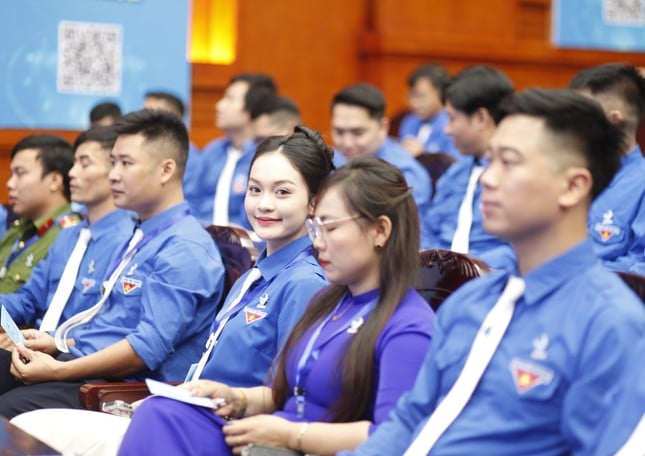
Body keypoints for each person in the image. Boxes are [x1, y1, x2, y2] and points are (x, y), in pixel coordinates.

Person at [346, 89, 645, 455]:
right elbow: (411, 417)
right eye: (489, 161)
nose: (487, 179)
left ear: (572, 186)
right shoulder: (470, 298)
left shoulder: (610, 324)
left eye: (509, 162)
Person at [9, 126, 334, 455]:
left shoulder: (304, 283)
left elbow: (293, 396)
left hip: (233, 427)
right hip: (189, 406)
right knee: (30, 426)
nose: (263, 204)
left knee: (33, 422)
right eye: (254, 189)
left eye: (282, 193)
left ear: (314, 203)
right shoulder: (257, 274)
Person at [118, 155, 434, 455]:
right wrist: (238, 398)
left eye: (331, 227)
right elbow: (290, 397)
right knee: (163, 414)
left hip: (302, 447)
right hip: (273, 444)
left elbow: (395, 436)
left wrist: (291, 434)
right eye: (315, 228)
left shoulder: (408, 324)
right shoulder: (327, 301)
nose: (318, 241)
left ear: (380, 230)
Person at [0, 109, 225, 418]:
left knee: (8, 409)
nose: (114, 174)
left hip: (117, 390)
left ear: (165, 170)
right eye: (114, 162)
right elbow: (108, 325)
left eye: (126, 163)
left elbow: (144, 349)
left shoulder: (183, 247)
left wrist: (58, 369)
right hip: (80, 363)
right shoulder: (143, 235)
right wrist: (57, 345)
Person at [0, 126, 135, 349]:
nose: (71, 172)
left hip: (76, 362)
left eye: (85, 163)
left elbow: (110, 330)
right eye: (74, 163)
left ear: (115, 171)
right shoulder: (69, 236)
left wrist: (53, 345)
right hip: (37, 350)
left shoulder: (128, 243)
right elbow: (28, 299)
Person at [422, 65, 515, 268]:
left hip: (494, 279)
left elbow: (527, 247)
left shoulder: (520, 176)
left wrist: (462, 268)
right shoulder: (455, 173)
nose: (446, 129)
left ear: (481, 118)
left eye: (452, 118)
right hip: (436, 280)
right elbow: (428, 229)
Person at [331, 83, 433, 247]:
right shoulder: (333, 159)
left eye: (358, 133)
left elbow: (404, 241)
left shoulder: (405, 174)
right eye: (339, 132)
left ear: (383, 127)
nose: (347, 143)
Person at [569, 63, 645, 272]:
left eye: (579, 114)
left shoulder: (641, 184)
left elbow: (641, 269)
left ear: (613, 121)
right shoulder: (568, 174)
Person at [188, 73, 277, 227]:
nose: (219, 105)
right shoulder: (213, 150)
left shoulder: (264, 158)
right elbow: (192, 199)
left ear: (252, 109)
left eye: (230, 99)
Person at [0, 135, 81, 293]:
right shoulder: (17, 231)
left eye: (20, 173)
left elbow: (42, 311)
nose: (10, 184)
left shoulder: (69, 236)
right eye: (11, 174)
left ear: (54, 181)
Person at [398, 63, 460, 159]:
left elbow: (455, 163)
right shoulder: (409, 121)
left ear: (440, 93)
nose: (414, 103)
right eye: (411, 96)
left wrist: (424, 156)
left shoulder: (452, 123)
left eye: (421, 96)